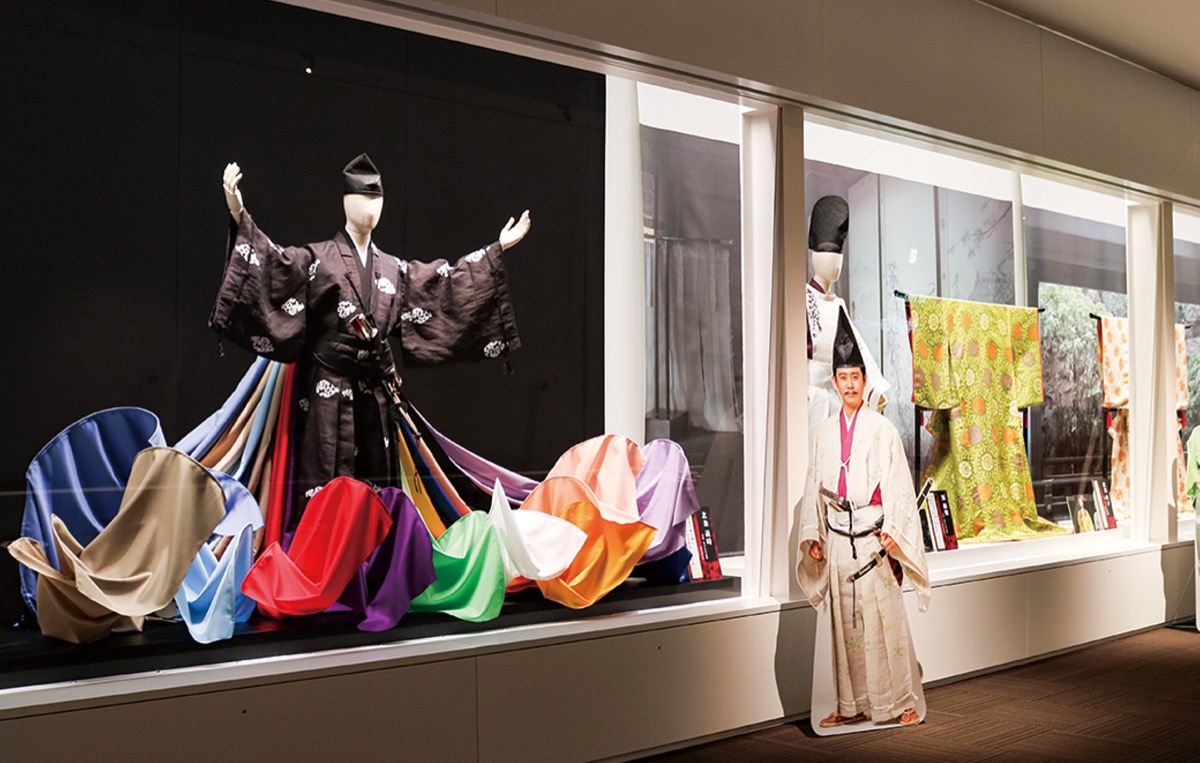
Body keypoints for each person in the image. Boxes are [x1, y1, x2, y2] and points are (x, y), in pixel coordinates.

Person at [210, 153, 530, 531]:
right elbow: (274, 265)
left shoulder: (394, 270)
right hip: (327, 392)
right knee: (324, 483)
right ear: (346, 202)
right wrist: (239, 214)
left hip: (376, 395)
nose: (370, 207)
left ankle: (376, 558)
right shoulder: (318, 260)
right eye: (363, 198)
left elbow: (442, 284)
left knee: (378, 490)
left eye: (376, 199)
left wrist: (495, 251)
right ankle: (322, 559)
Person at [797, 310, 930, 729]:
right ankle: (849, 705)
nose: (850, 384)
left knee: (885, 624)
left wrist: (893, 531)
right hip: (838, 538)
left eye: (856, 376)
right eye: (843, 377)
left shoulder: (882, 429)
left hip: (873, 539)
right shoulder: (823, 434)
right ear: (835, 382)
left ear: (864, 380)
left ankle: (900, 702)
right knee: (845, 628)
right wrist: (814, 534)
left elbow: (899, 486)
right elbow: (813, 485)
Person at [806, 195, 888, 446]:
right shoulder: (802, 299)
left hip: (835, 397)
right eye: (827, 254)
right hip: (808, 399)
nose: (834, 263)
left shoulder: (838, 304)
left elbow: (859, 349)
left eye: (837, 256)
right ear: (814, 256)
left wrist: (875, 388)